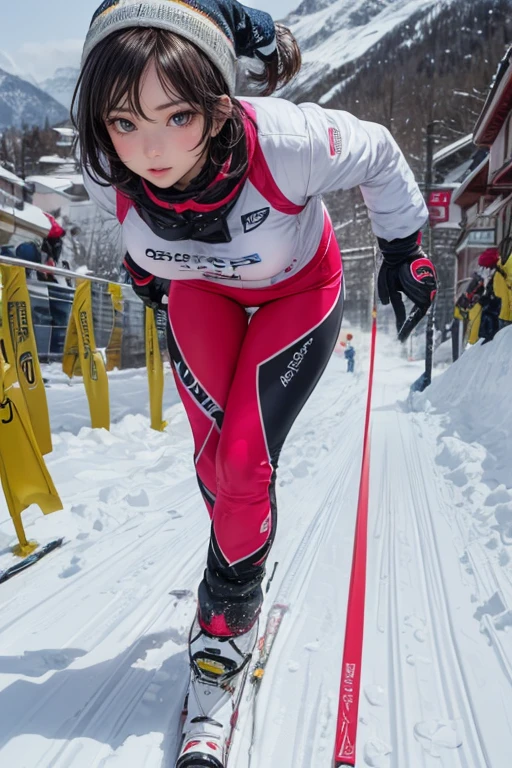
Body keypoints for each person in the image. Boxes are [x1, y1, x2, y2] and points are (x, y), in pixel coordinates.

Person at [74, 1, 437, 763]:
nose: (152, 149)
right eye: (123, 122)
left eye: (176, 116)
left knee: (241, 463)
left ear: (215, 98)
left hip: (297, 295)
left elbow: (375, 152)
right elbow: (131, 230)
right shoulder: (108, 169)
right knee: (219, 470)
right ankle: (244, 538)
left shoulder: (287, 139)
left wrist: (404, 245)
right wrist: (146, 271)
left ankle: (223, 628)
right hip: (201, 294)